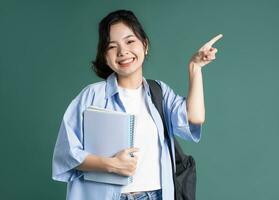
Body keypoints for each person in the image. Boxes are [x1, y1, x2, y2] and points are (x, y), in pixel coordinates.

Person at [52, 9, 222, 200]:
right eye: (112, 46)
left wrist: (195, 67)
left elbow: (195, 117)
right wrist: (111, 164)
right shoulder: (91, 96)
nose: (123, 51)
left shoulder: (159, 92)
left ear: (145, 45)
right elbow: (66, 154)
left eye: (130, 41)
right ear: (105, 56)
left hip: (157, 195)